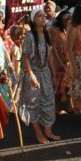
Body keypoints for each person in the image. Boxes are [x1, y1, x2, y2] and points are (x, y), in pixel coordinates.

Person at [18, 8, 60, 144]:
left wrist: (53, 74)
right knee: (33, 104)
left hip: (45, 73)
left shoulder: (47, 34)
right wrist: (31, 76)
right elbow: (25, 58)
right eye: (40, 16)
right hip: (33, 75)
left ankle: (48, 131)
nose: (43, 18)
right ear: (33, 20)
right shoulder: (30, 36)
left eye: (44, 16)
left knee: (48, 101)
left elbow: (50, 56)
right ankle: (39, 133)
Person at [48, 9, 74, 115]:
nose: (68, 23)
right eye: (66, 20)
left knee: (68, 84)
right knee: (58, 86)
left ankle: (70, 106)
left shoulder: (66, 29)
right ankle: (57, 108)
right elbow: (52, 48)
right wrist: (59, 62)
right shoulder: (53, 29)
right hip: (57, 61)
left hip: (67, 60)